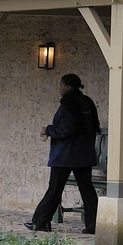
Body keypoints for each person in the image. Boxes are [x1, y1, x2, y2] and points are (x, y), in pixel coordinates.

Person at [25, 72, 101, 234]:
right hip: (84, 153)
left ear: (68, 87)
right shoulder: (87, 102)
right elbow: (93, 126)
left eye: (61, 85)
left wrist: (48, 130)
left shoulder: (68, 104)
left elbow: (65, 129)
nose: (59, 88)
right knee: (87, 189)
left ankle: (41, 222)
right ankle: (94, 224)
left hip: (65, 155)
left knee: (54, 188)